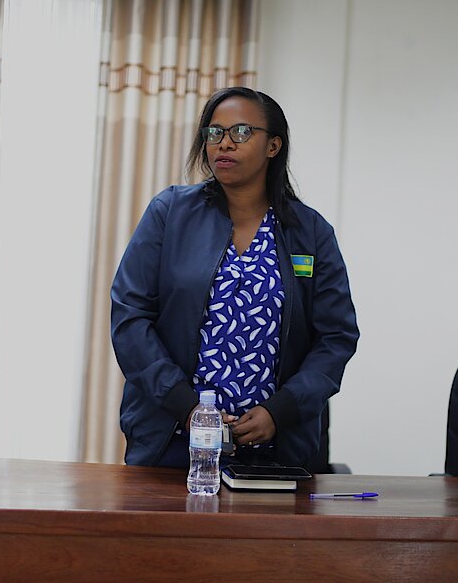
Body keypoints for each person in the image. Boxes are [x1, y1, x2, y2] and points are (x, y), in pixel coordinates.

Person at [111, 87, 359, 468]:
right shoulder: (170, 213)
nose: (224, 143)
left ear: (273, 146)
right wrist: (186, 406)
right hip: (172, 442)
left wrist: (280, 411)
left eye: (241, 132)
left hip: (275, 450)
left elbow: (336, 337)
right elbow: (130, 317)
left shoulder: (310, 233)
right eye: (214, 133)